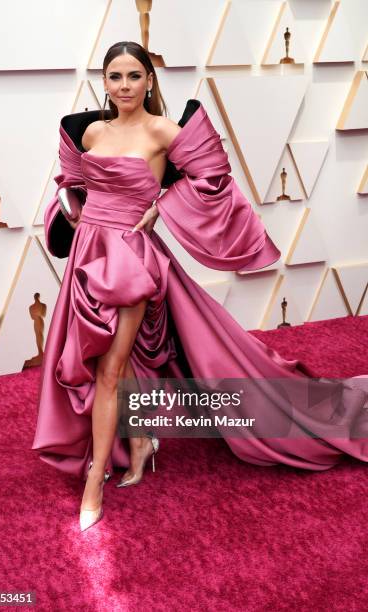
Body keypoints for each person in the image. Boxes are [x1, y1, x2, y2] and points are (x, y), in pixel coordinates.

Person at [32, 41, 368, 532]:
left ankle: (93, 482)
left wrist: (161, 206)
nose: (124, 86)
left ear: (150, 80)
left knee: (111, 369)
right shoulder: (89, 132)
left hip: (130, 259)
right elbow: (72, 183)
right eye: (114, 77)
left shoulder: (164, 130)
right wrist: (73, 212)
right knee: (92, 360)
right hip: (88, 255)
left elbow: (212, 175)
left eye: (134, 76)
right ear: (103, 82)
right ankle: (142, 441)